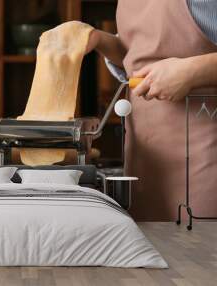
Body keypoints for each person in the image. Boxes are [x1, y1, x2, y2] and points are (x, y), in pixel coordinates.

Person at [85, 0, 217, 220]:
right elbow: (140, 57)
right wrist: (100, 40)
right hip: (144, 162)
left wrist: (193, 71)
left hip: (205, 161)